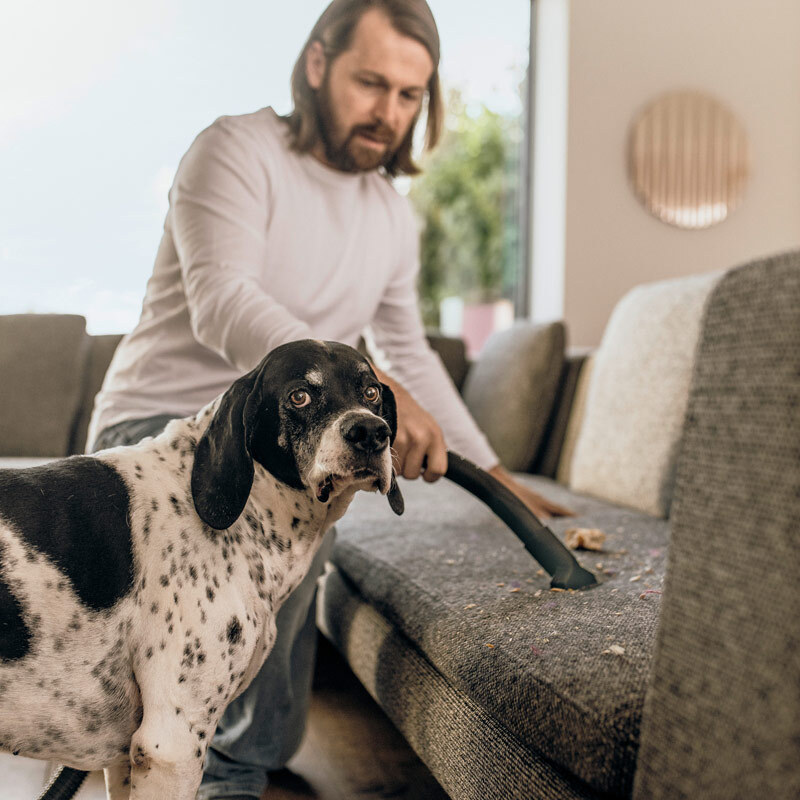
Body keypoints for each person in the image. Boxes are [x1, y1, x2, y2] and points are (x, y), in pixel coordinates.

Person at [87, 1, 571, 796]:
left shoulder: (388, 213)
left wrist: (495, 473)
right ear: (317, 65)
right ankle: (217, 772)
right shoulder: (233, 149)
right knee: (279, 512)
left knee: (274, 728)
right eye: (371, 82)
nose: (389, 112)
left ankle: (243, 749)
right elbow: (222, 299)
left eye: (411, 94)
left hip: (295, 446)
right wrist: (386, 393)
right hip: (160, 425)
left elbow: (406, 345)